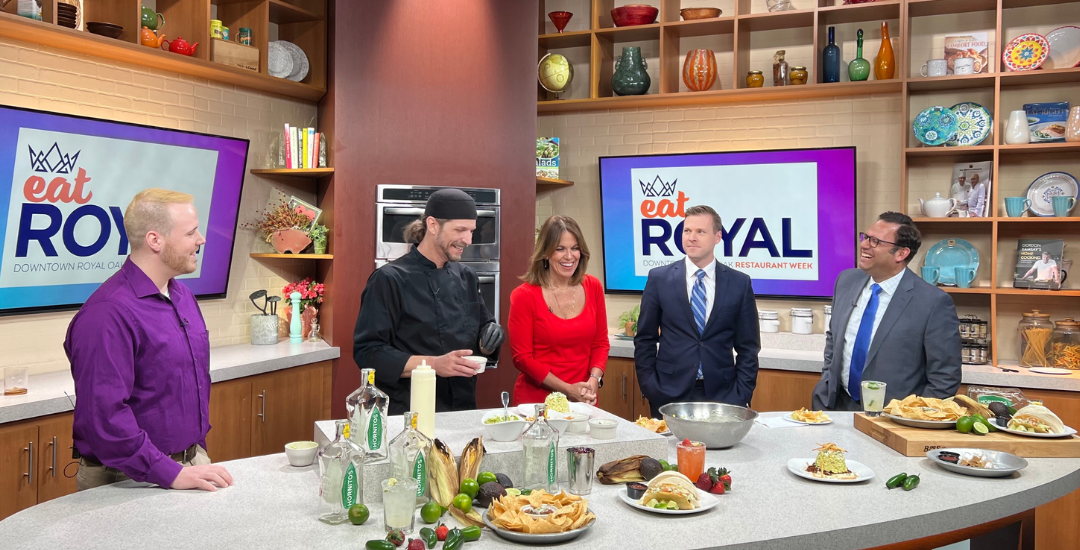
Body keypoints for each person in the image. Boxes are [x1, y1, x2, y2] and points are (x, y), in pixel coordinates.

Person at [65, 189, 234, 492]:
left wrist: (193, 453)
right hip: (127, 479)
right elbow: (105, 418)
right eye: (191, 232)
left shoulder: (182, 297)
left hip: (189, 465)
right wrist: (170, 472)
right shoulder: (107, 314)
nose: (201, 239)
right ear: (155, 240)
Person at [354, 188, 506, 414]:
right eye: (460, 230)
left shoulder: (466, 276)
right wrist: (434, 364)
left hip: (462, 408)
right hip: (409, 411)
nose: (468, 240)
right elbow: (368, 352)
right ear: (433, 225)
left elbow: (480, 334)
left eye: (471, 231)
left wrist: (489, 340)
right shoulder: (389, 279)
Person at [811, 212, 962, 411]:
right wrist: (827, 379)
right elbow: (834, 338)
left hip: (893, 418)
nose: (864, 245)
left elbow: (945, 378)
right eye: (866, 237)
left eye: (875, 241)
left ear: (901, 254)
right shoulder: (846, 281)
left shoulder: (933, 302)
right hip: (835, 406)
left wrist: (912, 418)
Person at [634, 205, 760, 417]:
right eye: (687, 231)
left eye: (700, 232)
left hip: (723, 396)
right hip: (668, 393)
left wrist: (740, 394)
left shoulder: (739, 283)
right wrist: (651, 388)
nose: (691, 238)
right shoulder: (659, 278)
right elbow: (645, 339)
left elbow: (748, 347)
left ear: (717, 237)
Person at [508, 216, 609, 407]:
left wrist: (594, 380)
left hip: (584, 399)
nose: (569, 256)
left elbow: (600, 343)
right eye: (560, 249)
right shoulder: (524, 295)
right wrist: (567, 390)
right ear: (545, 253)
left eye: (575, 248)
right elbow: (522, 358)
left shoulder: (593, 286)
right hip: (537, 403)